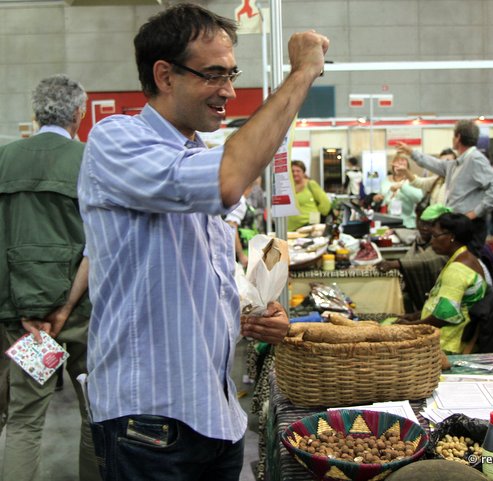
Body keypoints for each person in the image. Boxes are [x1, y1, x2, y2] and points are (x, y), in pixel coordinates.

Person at [78, 4, 328, 480]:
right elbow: (229, 179)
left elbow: (193, 274)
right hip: (150, 424)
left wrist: (248, 315)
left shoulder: (196, 155)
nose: (228, 91)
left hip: (215, 415)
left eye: (231, 74)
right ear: (164, 75)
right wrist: (302, 73)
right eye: (214, 75)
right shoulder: (117, 140)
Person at [0, 75, 100, 481]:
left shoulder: (4, 160)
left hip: (22, 320)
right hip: (82, 314)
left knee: (24, 419)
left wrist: (24, 309)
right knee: (95, 415)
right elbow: (100, 244)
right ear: (79, 114)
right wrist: (65, 306)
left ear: (35, 113)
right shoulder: (90, 160)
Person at [397, 120, 493, 258]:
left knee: (467, 266)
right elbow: (437, 164)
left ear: (458, 137)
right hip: (459, 225)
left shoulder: (474, 159)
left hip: (470, 227)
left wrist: (476, 212)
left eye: (453, 136)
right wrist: (412, 152)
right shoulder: (459, 163)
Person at [396, 212, 488, 354]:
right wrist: (417, 315)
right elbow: (454, 304)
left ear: (451, 237)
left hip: (447, 344)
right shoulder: (467, 258)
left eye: (435, 236)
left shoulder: (457, 270)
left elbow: (445, 315)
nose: (431, 241)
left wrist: (411, 327)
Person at [374, 153, 424, 228]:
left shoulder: (413, 180)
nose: (399, 165)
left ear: (407, 166)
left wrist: (402, 187)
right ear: (393, 165)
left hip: (407, 223)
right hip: (388, 222)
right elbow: (383, 201)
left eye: (402, 162)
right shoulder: (385, 180)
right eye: (397, 162)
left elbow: (419, 198)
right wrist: (377, 198)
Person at [288, 160, 331, 231]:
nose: (295, 173)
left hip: (309, 226)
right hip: (291, 228)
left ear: (303, 172)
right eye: (292, 171)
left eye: (298, 171)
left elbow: (325, 204)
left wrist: (314, 219)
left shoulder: (311, 184)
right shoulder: (287, 187)